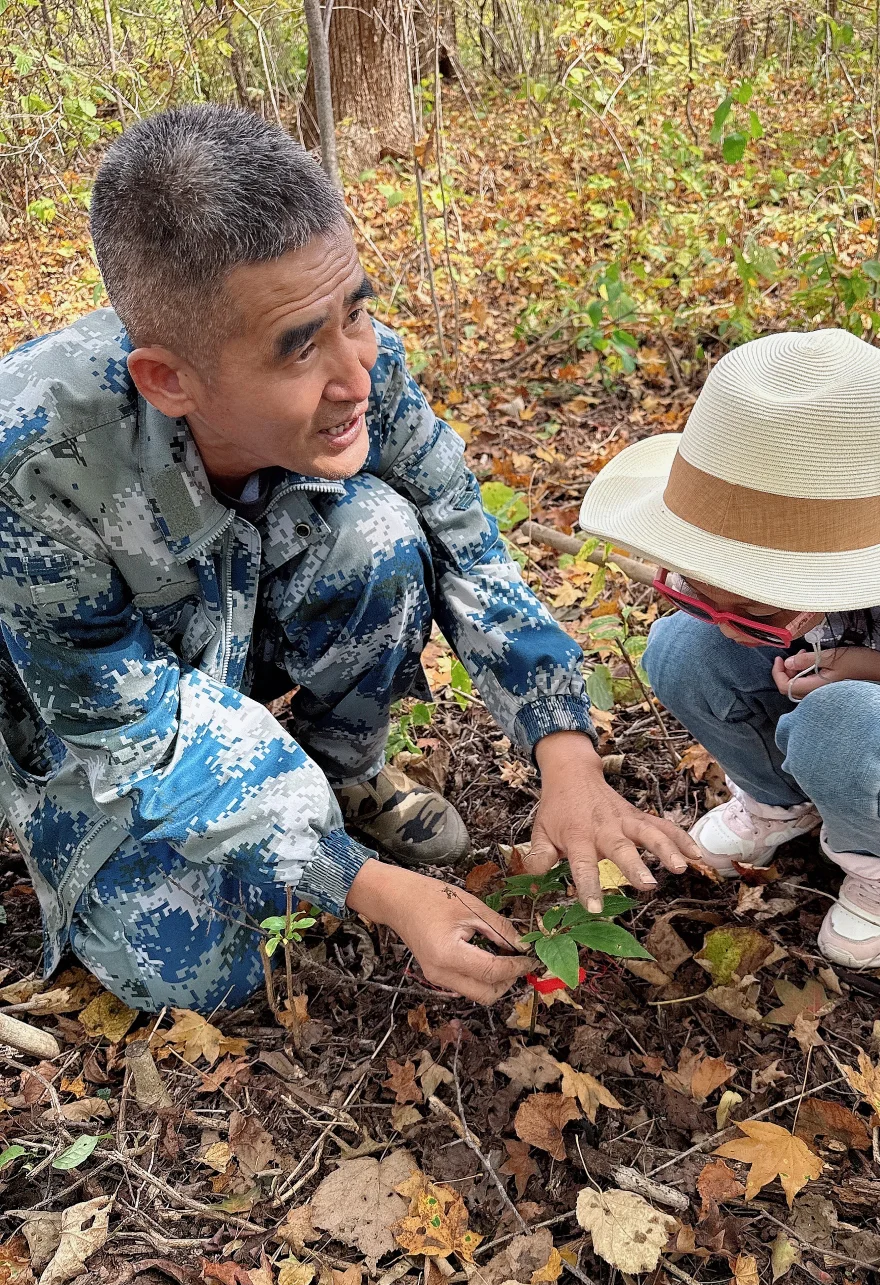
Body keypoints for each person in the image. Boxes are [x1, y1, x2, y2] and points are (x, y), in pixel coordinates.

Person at [0, 105, 697, 1013]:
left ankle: (341, 774)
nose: (357, 374)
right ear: (169, 380)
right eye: (301, 350)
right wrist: (363, 884)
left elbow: (463, 536)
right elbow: (133, 725)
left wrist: (566, 755)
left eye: (355, 312)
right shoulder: (35, 459)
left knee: (379, 532)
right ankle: (302, 824)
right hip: (94, 717)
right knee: (195, 971)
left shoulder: (361, 362)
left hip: (233, 627)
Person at [580, 329, 880, 971]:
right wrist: (730, 614)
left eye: (758, 611)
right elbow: (718, 607)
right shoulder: (742, 540)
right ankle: (781, 800)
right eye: (703, 589)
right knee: (682, 647)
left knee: (837, 725)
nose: (732, 624)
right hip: (857, 695)